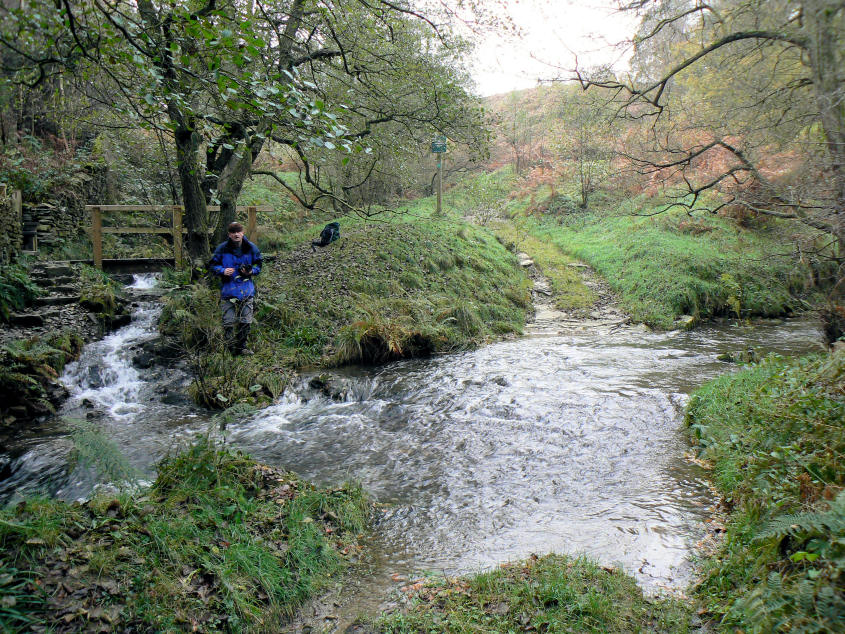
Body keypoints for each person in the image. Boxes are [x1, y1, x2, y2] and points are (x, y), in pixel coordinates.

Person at [210, 221, 262, 355]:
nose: (236, 234)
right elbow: (212, 266)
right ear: (229, 234)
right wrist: (222, 270)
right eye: (233, 232)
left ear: (243, 233)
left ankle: (242, 347)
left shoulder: (251, 248)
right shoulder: (222, 249)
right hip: (228, 289)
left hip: (246, 289)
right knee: (228, 321)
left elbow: (259, 265)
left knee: (246, 319)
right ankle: (229, 348)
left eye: (238, 231)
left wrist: (251, 272)